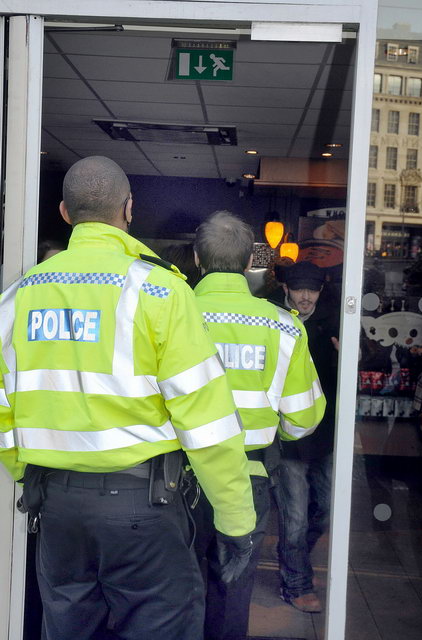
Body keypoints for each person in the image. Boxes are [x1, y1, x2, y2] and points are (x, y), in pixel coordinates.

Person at [0, 157, 256, 640]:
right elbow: (207, 422)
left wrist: (28, 473)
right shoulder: (160, 291)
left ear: (65, 212)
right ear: (129, 209)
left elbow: (2, 408)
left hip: (58, 510)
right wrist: (235, 519)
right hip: (144, 509)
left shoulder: (18, 298)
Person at [192, 212, 326, 640]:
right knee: (233, 585)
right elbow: (303, 418)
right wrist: (276, 433)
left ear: (197, 259)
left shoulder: (170, 313)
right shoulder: (283, 326)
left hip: (176, 477)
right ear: (251, 262)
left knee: (177, 586)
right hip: (248, 473)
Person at [273, 260, 340, 613]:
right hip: (288, 435)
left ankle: (291, 555)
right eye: (299, 289)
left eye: (312, 290)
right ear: (286, 288)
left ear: (321, 290)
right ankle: (296, 583)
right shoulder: (272, 319)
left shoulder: (334, 321)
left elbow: (371, 355)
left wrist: (352, 356)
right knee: (295, 516)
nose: (305, 296)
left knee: (326, 510)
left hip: (325, 433)